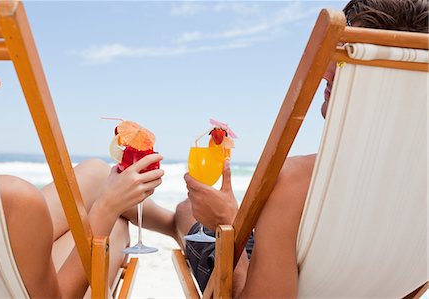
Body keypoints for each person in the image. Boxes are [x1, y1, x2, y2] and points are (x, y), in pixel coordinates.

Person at [174, 0, 429, 297]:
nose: (326, 72)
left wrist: (228, 227)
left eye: (350, 56)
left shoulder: (296, 182)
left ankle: (125, 206)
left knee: (189, 216)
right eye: (338, 50)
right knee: (184, 212)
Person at [0, 62, 179, 297]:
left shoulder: (3, 193)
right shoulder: (15, 197)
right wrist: (108, 207)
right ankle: (180, 227)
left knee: (96, 172)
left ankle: (174, 224)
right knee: (113, 224)